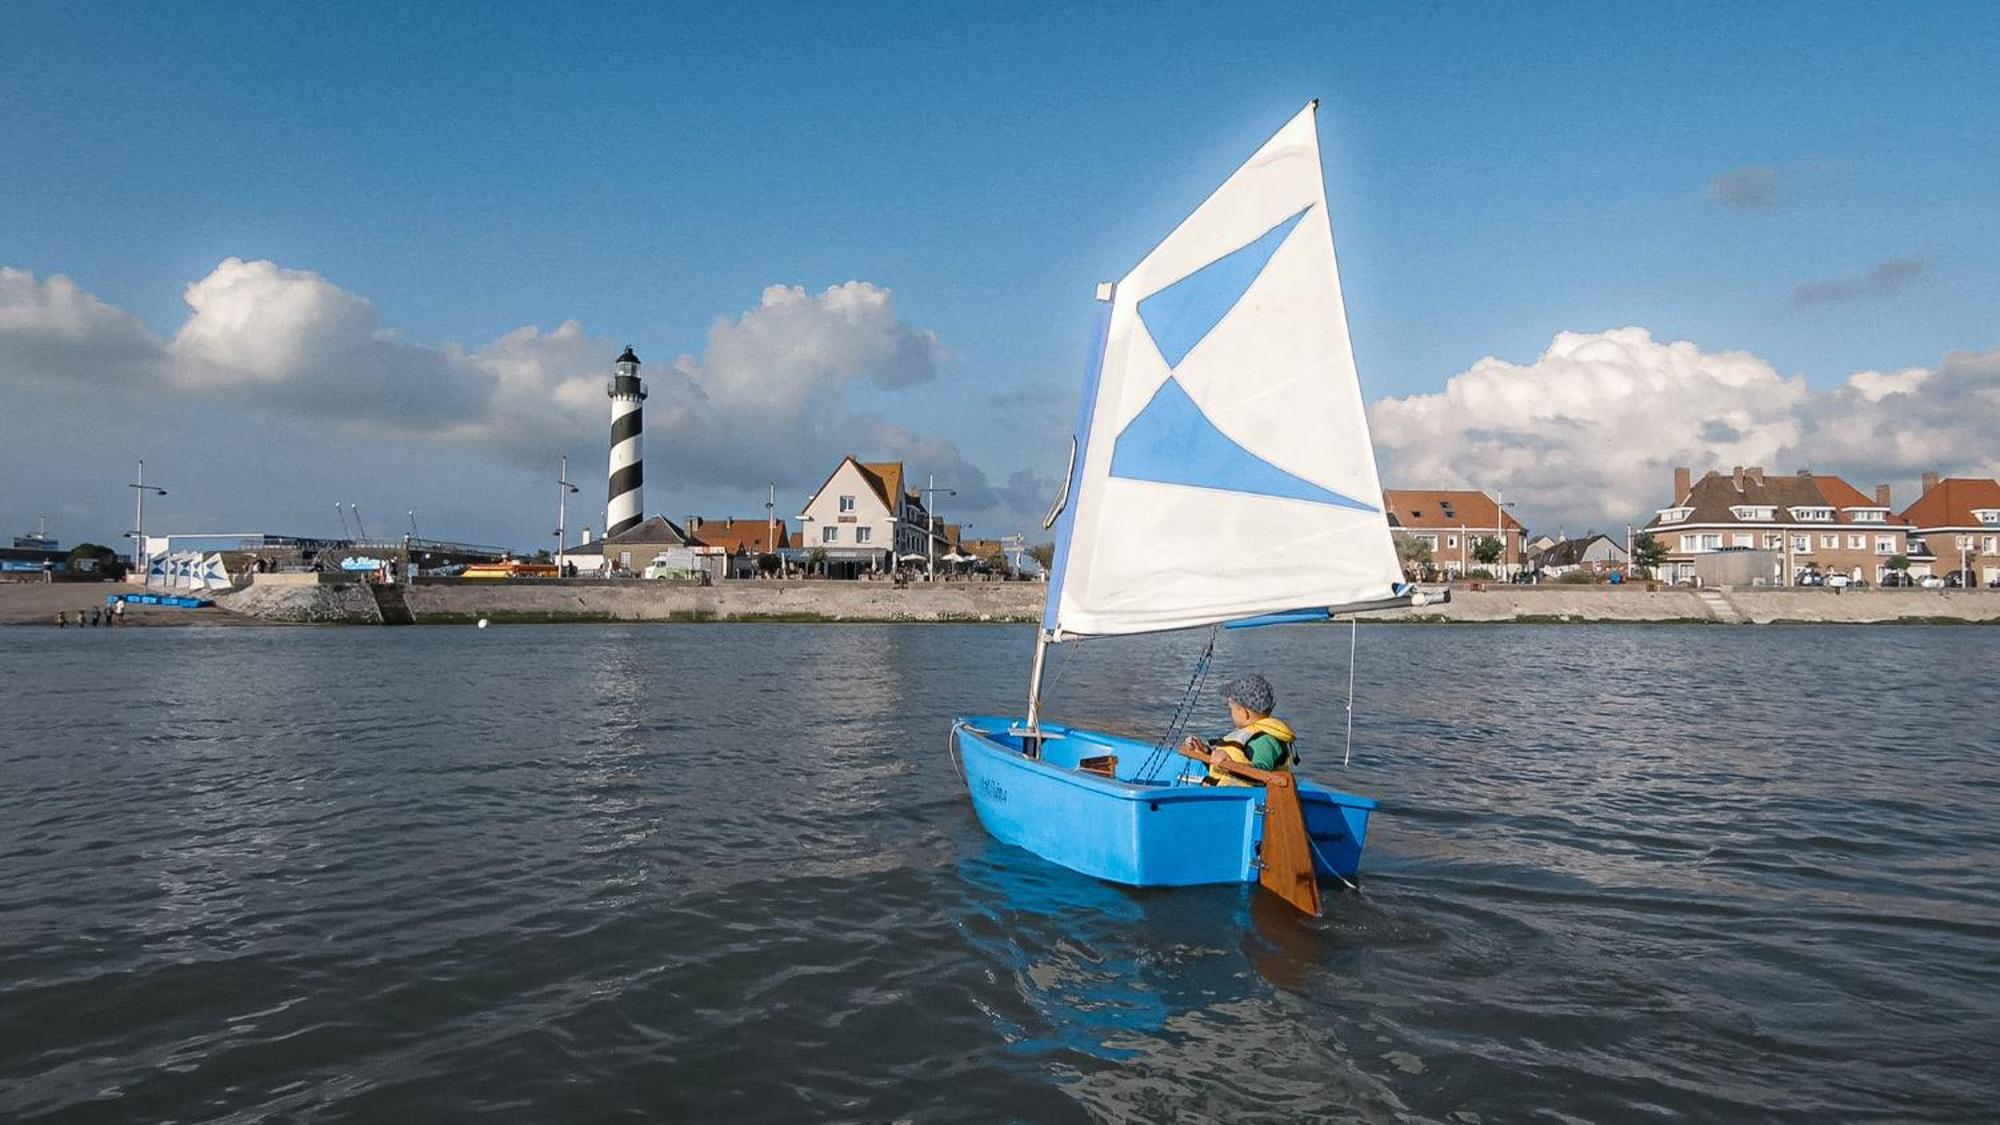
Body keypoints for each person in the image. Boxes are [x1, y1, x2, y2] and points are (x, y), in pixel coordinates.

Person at [1180, 674, 1297, 788]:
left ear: (1244, 713)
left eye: (1231, 709)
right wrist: (1206, 753)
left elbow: (1261, 775)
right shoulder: (1248, 736)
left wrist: (1229, 765)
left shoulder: (1265, 741)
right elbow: (1229, 771)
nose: (1231, 713)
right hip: (1222, 796)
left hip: (1245, 801)